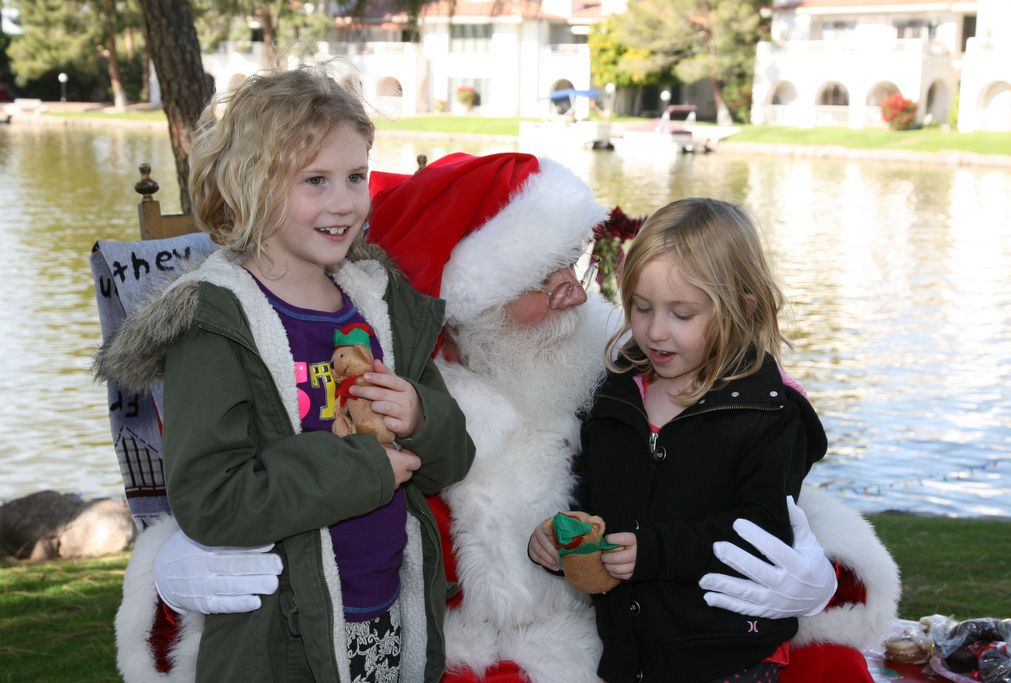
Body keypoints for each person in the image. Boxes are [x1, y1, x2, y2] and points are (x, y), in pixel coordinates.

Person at [116, 152, 899, 682]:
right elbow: (267, 480)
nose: (569, 292)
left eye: (574, 265)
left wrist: (818, 565)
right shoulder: (395, 387)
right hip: (452, 648)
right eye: (538, 277)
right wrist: (178, 561)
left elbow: (738, 419)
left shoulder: (621, 354)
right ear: (472, 303)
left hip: (626, 636)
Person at [94, 66, 474, 682]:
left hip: (388, 623)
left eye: (356, 176)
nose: (345, 202)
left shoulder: (381, 307)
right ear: (251, 185)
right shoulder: (216, 325)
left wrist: (422, 417)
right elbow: (212, 499)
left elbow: (449, 461)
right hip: (280, 640)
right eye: (315, 180)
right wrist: (365, 468)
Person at [528, 198, 824, 682]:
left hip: (726, 659)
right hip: (629, 658)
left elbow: (764, 533)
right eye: (641, 308)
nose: (655, 331)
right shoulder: (615, 394)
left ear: (742, 309)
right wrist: (564, 535)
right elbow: (598, 492)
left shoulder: (768, 413)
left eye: (681, 314)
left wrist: (656, 551)